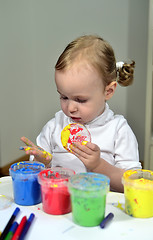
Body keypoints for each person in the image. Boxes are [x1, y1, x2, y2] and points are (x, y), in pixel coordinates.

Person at [20, 35, 141, 192]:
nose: (70, 108)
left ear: (108, 91)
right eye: (64, 97)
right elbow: (36, 174)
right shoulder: (55, 125)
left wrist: (98, 165)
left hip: (98, 208)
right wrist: (41, 162)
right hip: (59, 205)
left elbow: (132, 184)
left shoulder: (118, 130)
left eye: (80, 100)